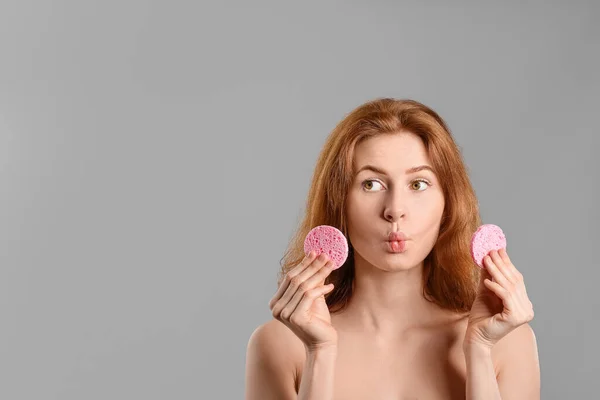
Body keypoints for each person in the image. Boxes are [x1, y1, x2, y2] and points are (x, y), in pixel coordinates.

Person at [245, 98, 540, 400]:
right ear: (339, 203)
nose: (395, 210)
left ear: (448, 203)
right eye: (371, 184)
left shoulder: (507, 342)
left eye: (418, 184)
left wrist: (479, 351)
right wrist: (318, 351)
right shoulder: (280, 345)